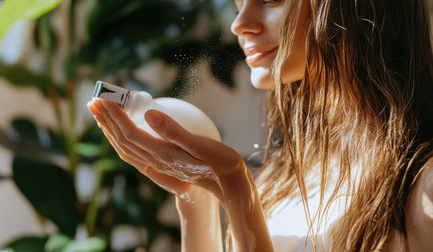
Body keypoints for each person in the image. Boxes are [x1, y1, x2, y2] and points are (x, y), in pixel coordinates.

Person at [87, 0, 433, 251]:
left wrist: (237, 193)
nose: (240, 23)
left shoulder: (421, 189)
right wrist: (195, 196)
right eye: (239, 2)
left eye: (270, 0)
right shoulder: (288, 176)